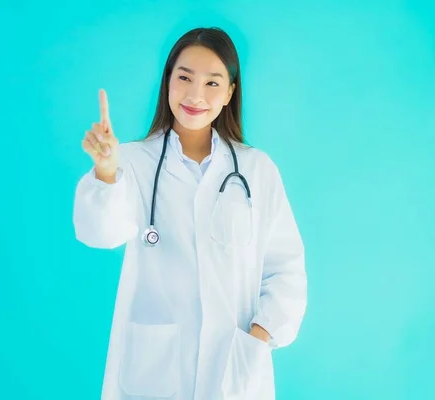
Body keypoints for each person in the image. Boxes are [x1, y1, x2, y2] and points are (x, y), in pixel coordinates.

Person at [73, 26, 307, 400]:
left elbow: (286, 270)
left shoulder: (256, 170)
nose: (196, 95)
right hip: (152, 373)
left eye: (213, 83)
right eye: (184, 77)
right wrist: (105, 171)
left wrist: (256, 342)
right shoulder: (132, 161)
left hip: (234, 371)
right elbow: (101, 233)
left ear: (231, 92)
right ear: (168, 82)